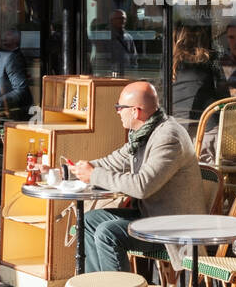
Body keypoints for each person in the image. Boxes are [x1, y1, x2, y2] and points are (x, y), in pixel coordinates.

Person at [71, 81, 208, 273]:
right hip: (151, 217)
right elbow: (114, 161)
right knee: (89, 220)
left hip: (173, 229)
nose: (117, 112)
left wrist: (94, 175)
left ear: (135, 111)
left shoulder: (168, 137)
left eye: (119, 107)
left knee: (107, 233)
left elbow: (142, 187)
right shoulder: (145, 132)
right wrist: (68, 171)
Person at [170, 24, 223, 125]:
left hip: (177, 123)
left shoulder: (170, 61)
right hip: (207, 124)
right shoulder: (209, 59)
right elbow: (222, 92)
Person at [108, 10, 137, 76]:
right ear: (112, 20)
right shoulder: (106, 36)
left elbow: (133, 56)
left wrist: (133, 70)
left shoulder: (129, 37)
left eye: (124, 19)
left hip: (126, 72)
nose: (122, 21)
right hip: (109, 73)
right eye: (119, 18)